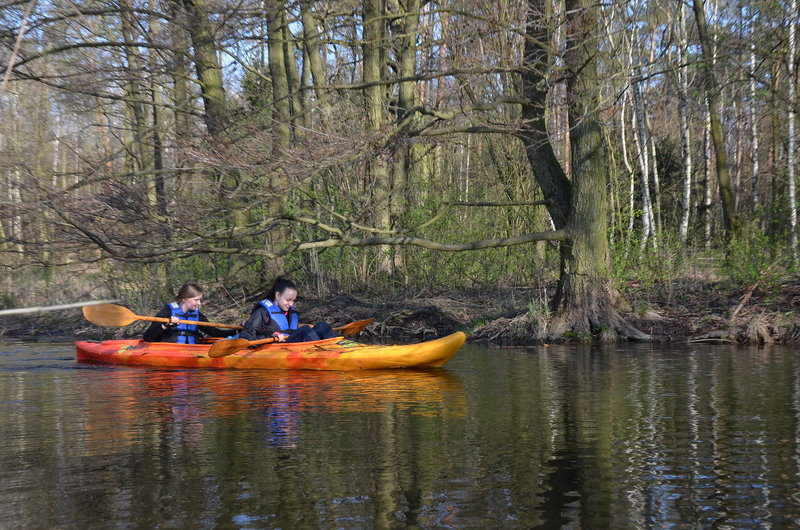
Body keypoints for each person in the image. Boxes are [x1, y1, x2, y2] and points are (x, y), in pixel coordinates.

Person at [239, 277, 336, 343]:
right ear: (278, 295)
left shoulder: (290, 312)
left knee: (322, 325)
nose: (291, 304)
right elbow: (246, 336)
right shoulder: (262, 312)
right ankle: (322, 354)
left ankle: (341, 349)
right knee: (305, 330)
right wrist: (271, 337)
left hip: (290, 344)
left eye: (293, 300)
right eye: (288, 300)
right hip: (277, 348)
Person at [143, 283, 231, 343]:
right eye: (196, 300)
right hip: (169, 350)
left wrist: (239, 330)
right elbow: (147, 337)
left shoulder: (198, 315)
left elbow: (215, 333)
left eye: (200, 300)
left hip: (191, 350)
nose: (199, 303)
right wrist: (164, 325)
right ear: (184, 298)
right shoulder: (167, 311)